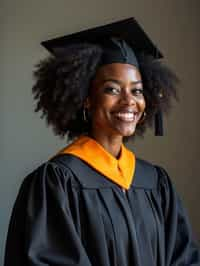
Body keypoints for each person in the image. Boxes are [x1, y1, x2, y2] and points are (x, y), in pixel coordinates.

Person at [4, 17, 200, 266]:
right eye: (112, 89)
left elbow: (184, 258)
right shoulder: (58, 182)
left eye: (136, 90)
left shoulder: (155, 182)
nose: (129, 101)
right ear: (87, 99)